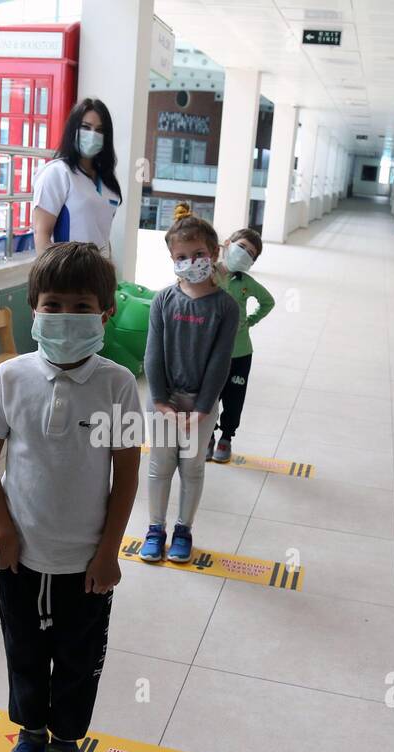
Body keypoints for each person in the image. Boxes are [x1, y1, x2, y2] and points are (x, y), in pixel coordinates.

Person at [0, 241, 142, 752]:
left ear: (105, 313)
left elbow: (126, 475)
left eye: (80, 306)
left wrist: (108, 552)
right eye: (53, 305)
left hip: (85, 559)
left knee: (76, 655)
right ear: (33, 308)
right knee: (23, 649)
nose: (65, 318)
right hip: (19, 554)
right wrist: (2, 532)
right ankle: (29, 733)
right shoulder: (10, 377)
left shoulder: (116, 384)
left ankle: (65, 741)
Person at [141, 214, 239, 564]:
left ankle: (183, 529)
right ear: (172, 260)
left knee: (193, 468)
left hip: (202, 404)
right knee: (159, 466)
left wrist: (201, 408)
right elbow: (153, 353)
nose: (190, 262)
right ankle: (155, 529)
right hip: (164, 402)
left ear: (213, 252)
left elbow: (220, 361)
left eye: (197, 253)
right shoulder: (163, 301)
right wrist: (160, 401)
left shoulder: (225, 307)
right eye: (181, 257)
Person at [209, 227, 275, 463]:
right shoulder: (208, 274)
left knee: (234, 397)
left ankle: (226, 437)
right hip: (211, 352)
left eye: (251, 253)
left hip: (240, 353)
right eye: (242, 247)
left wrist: (250, 321)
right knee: (209, 395)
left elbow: (268, 301)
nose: (245, 254)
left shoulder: (245, 282)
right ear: (227, 243)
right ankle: (207, 436)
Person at [31, 98, 121, 257]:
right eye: (86, 127)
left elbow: (103, 237)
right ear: (73, 130)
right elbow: (42, 234)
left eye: (100, 130)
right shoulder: (57, 173)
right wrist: (53, 278)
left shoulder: (108, 183)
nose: (93, 135)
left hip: (100, 275)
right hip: (67, 275)